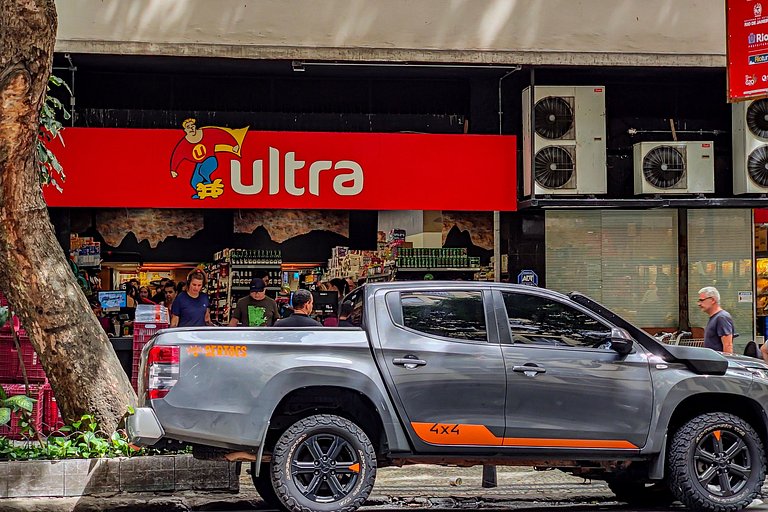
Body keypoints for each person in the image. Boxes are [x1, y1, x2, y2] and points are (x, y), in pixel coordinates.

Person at [698, 286, 734, 354]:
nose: (699, 304)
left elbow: (728, 345)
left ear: (713, 300)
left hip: (718, 362)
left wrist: (727, 363)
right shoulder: (715, 318)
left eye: (702, 300)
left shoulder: (722, 317)